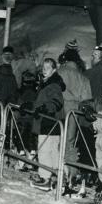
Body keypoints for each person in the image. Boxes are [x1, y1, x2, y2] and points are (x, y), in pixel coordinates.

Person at [58, 46, 92, 186]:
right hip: (73, 110)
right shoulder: (82, 77)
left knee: (55, 139)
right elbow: (87, 98)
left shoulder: (59, 72)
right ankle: (71, 172)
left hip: (58, 107)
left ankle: (56, 170)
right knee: (70, 142)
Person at [30, 58, 66, 191]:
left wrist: (45, 108)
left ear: (54, 70)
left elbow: (57, 102)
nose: (44, 70)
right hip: (51, 121)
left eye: (47, 68)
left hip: (48, 121)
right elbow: (43, 100)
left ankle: (45, 178)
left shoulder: (53, 84)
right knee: (52, 150)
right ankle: (58, 176)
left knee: (45, 150)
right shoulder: (47, 83)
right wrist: (31, 105)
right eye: (43, 68)